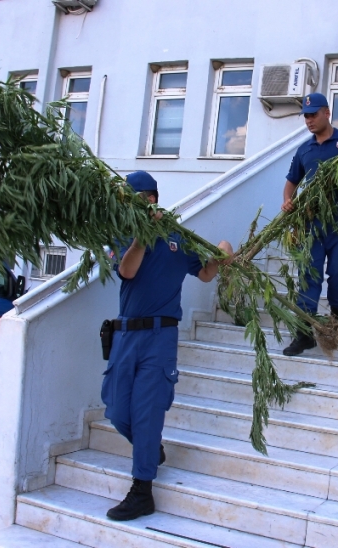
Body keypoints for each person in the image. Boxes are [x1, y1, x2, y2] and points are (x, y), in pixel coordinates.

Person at [102, 171, 233, 521]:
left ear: (150, 199)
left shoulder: (178, 237)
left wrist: (222, 253)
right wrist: (142, 238)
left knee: (147, 412)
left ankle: (142, 491)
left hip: (161, 337)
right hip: (127, 334)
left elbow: (205, 273)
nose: (124, 205)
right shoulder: (121, 233)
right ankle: (151, 448)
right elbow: (127, 271)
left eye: (130, 198)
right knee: (115, 409)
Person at [281, 93, 338, 357]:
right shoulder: (304, 150)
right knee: (308, 278)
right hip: (311, 225)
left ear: (327, 112)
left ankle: (335, 324)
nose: (309, 120)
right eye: (306, 116)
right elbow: (292, 181)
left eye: (313, 114)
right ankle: (304, 334)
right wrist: (287, 201)